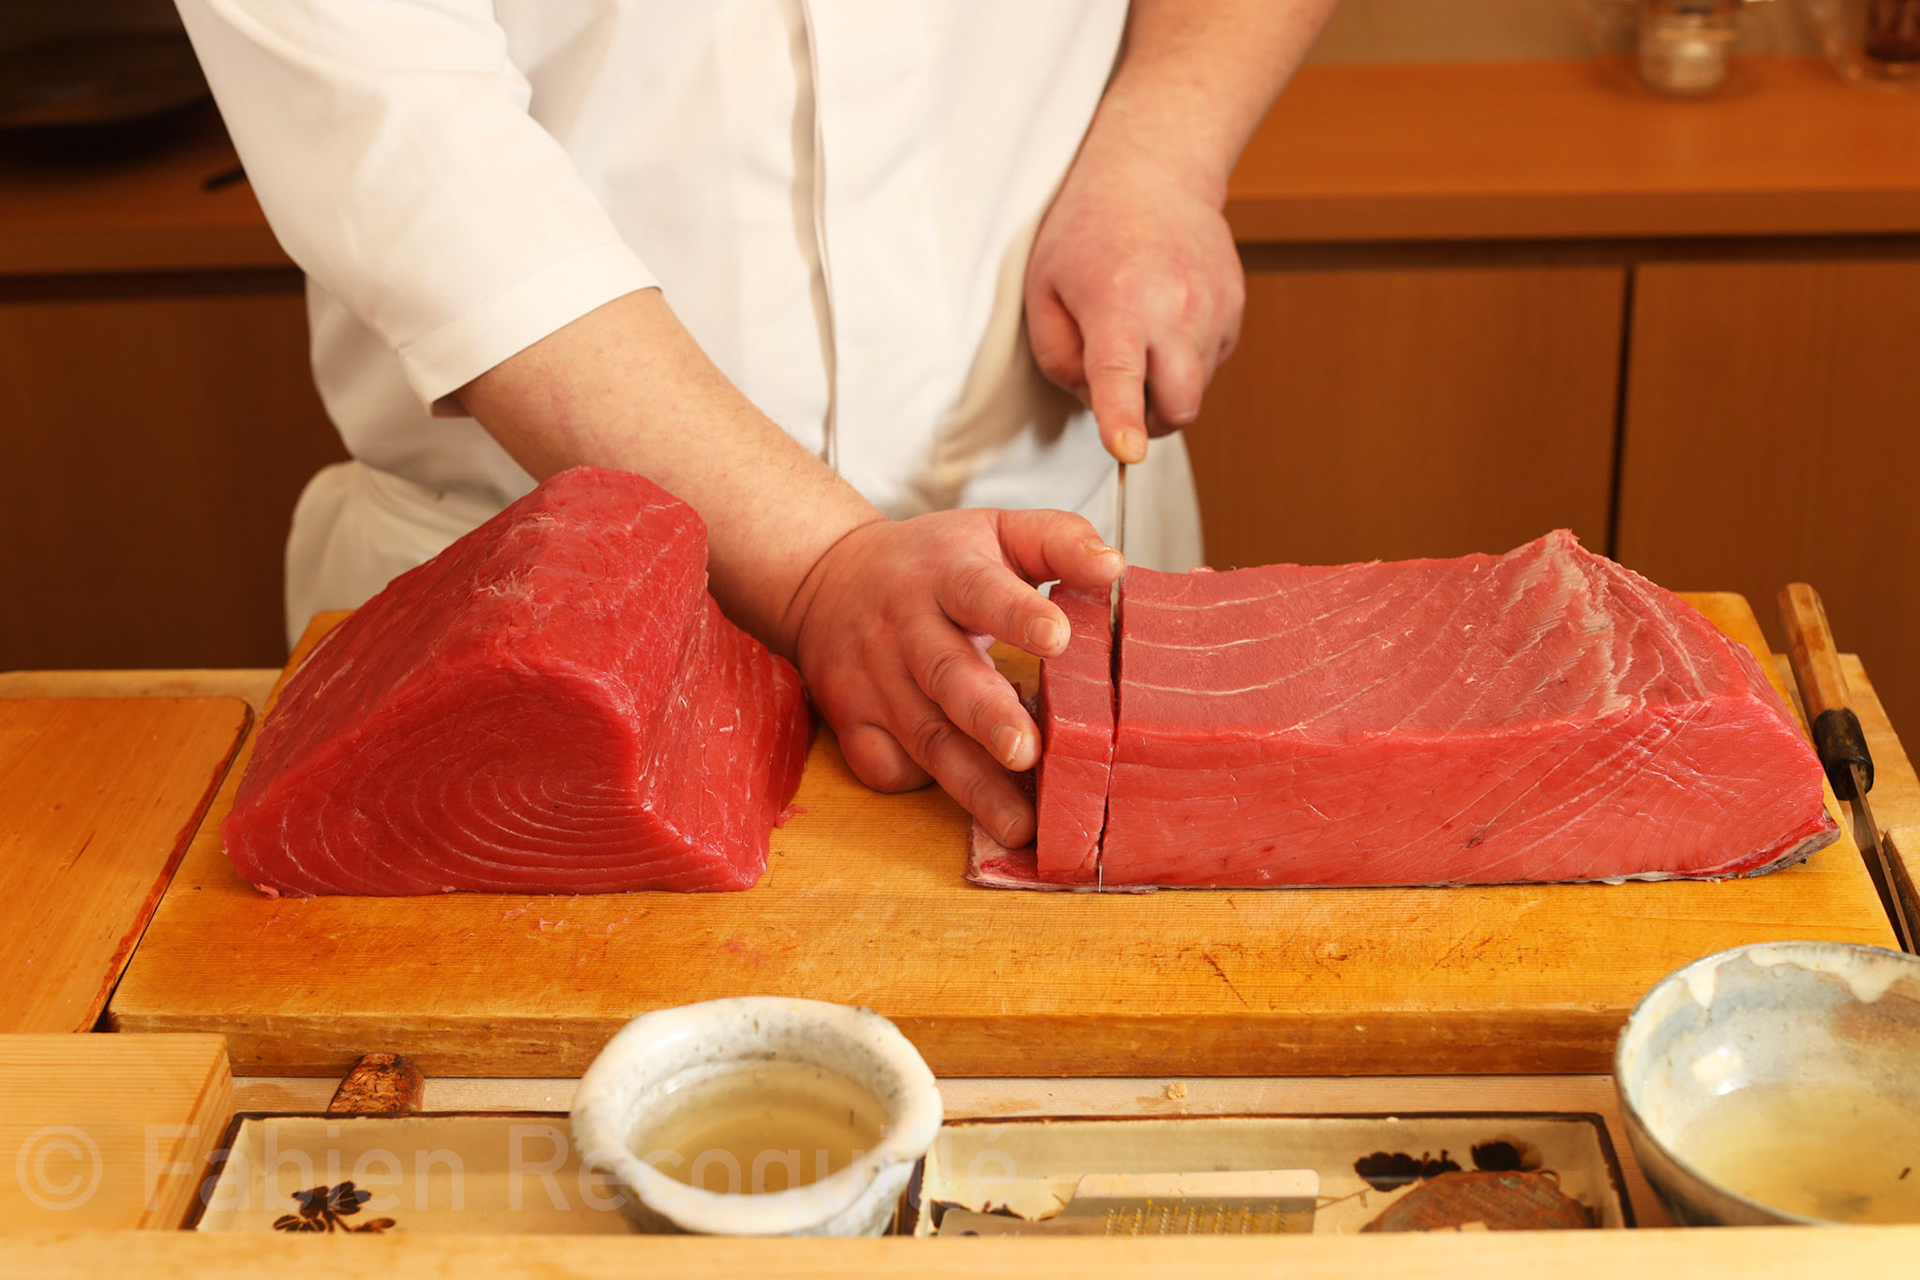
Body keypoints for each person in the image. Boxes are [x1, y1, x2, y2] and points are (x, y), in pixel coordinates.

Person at [177, 0, 1335, 849]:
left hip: (1055, 555)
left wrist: (1163, 149)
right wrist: (820, 565)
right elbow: (424, 160)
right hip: (544, 615)